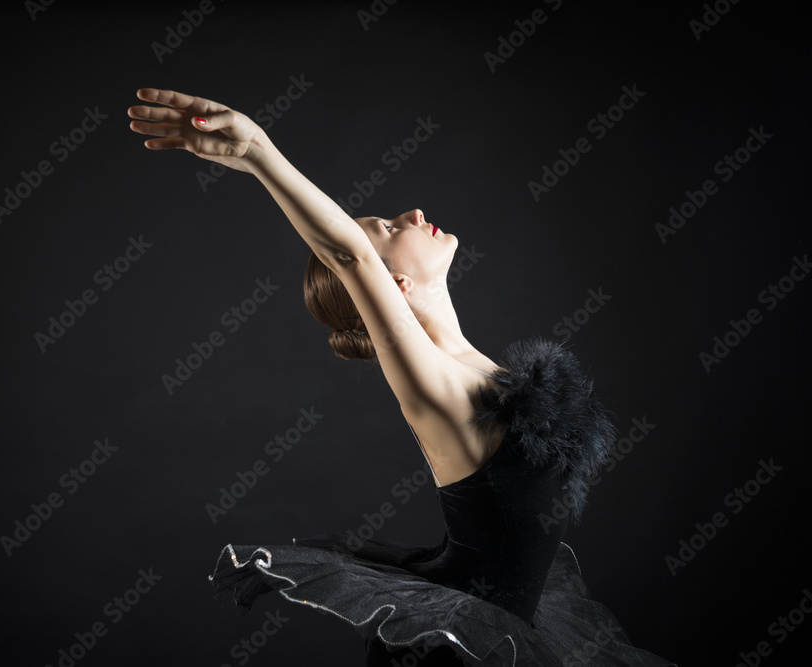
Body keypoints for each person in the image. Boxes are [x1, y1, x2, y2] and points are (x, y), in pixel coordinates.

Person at [128, 89, 676, 666]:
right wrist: (258, 152)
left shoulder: (477, 365)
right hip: (475, 646)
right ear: (392, 286)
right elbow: (349, 255)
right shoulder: (436, 389)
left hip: (509, 627)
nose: (413, 215)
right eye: (390, 228)